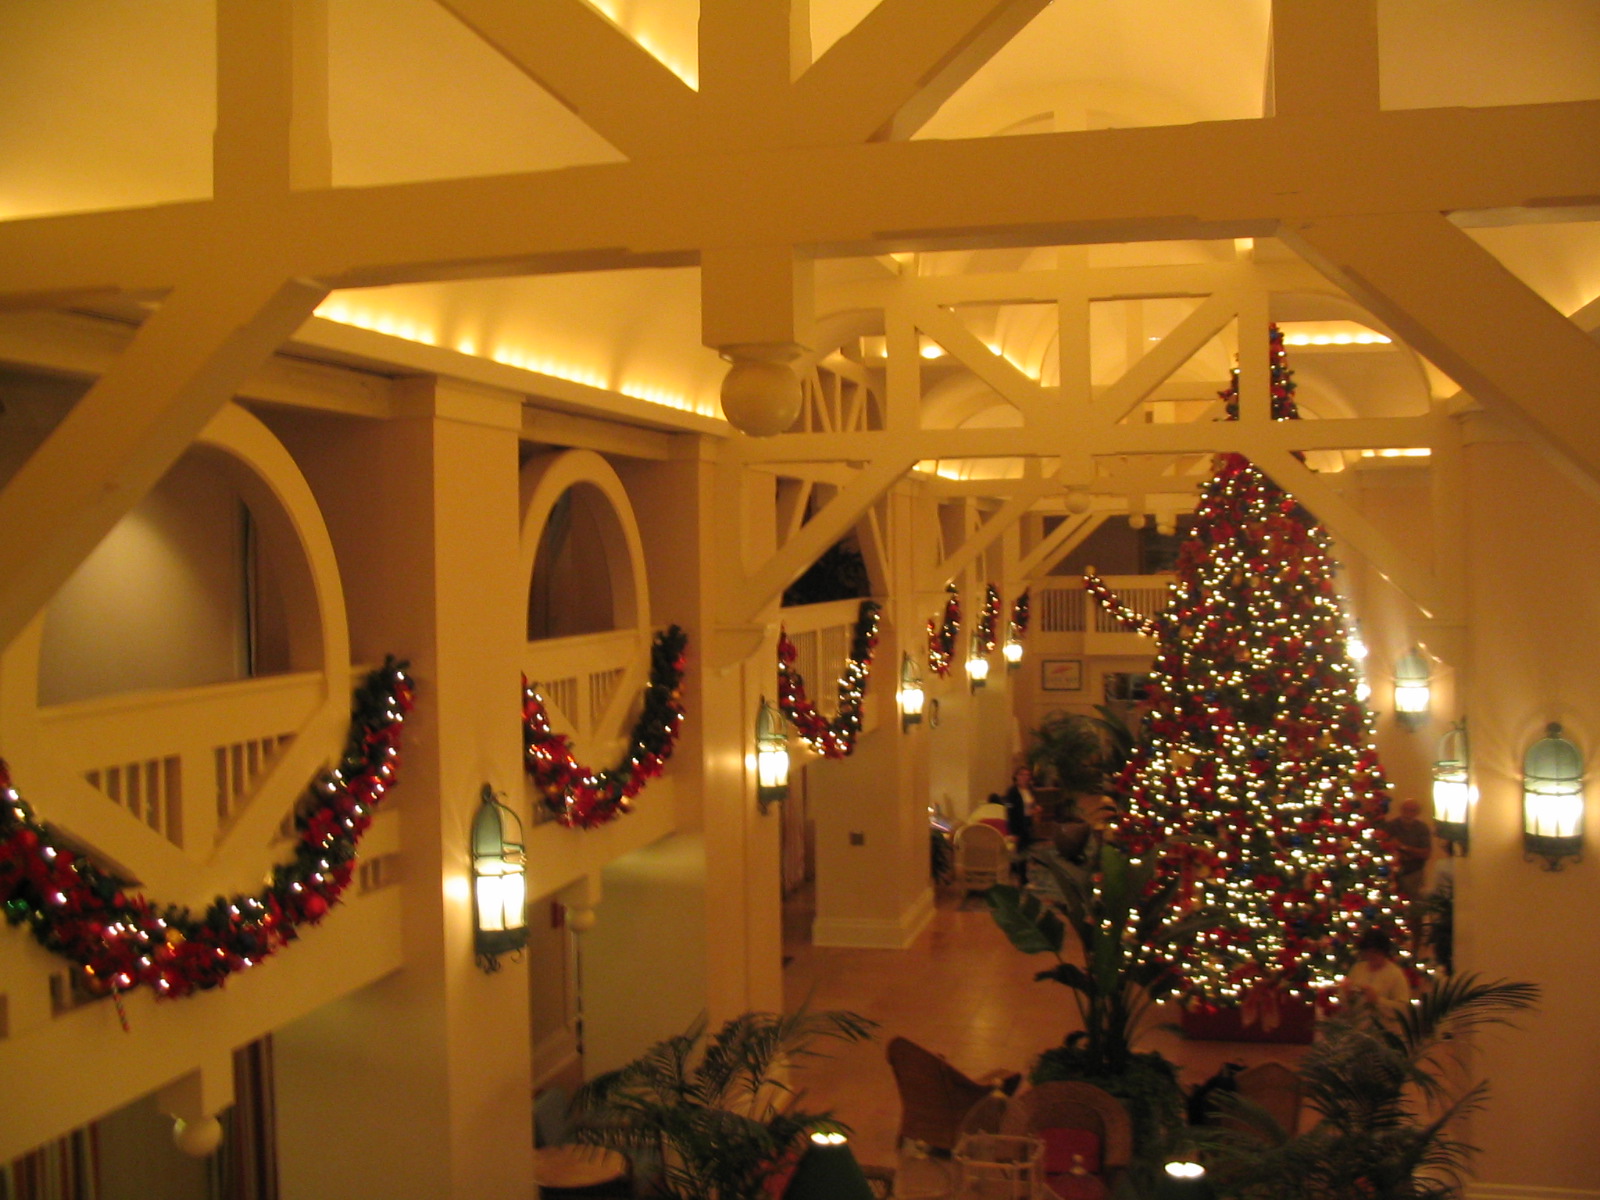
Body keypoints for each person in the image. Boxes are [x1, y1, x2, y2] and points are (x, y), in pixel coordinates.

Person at [1338, 928, 1412, 1023]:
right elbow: (1346, 1008)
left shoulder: (1395, 974)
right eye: (1368, 952)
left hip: (1383, 1032)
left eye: (1376, 952)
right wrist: (1348, 995)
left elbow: (1403, 1010)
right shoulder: (1358, 968)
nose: (1371, 956)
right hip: (1358, 1029)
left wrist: (1377, 1000)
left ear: (1384, 952)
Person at [1383, 797, 1432, 900]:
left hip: (1413, 873)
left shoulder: (1422, 828)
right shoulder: (1391, 826)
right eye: (1406, 809)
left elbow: (1425, 853)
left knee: (1414, 902)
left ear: (1417, 812)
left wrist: (1402, 847)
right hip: (1393, 873)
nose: (1408, 813)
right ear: (1401, 810)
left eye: (1412, 810)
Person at [1002, 766, 1039, 884]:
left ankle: (1024, 874)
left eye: (1028, 775)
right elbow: (1010, 812)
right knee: (1021, 850)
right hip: (1018, 824)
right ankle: (1022, 877)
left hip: (1028, 822)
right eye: (1022, 775)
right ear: (1016, 777)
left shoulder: (1030, 790)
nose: (1025, 777)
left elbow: (1030, 804)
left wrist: (1035, 809)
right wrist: (1012, 832)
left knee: (1027, 849)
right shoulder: (1012, 792)